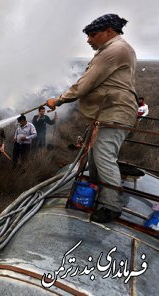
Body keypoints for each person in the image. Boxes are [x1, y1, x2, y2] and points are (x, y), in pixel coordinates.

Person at [46, 14, 137, 223]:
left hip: (115, 113)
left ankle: (111, 206)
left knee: (103, 157)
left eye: (92, 34)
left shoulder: (114, 50)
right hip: (109, 113)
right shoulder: (116, 48)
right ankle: (97, 191)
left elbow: (84, 85)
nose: (88, 40)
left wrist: (57, 101)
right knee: (96, 158)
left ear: (109, 31)